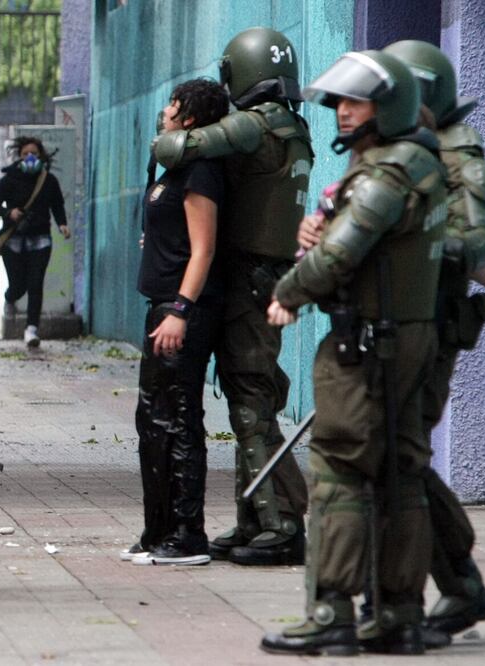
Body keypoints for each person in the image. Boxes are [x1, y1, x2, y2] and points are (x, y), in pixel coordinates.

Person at [297, 41, 485, 646]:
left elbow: (472, 243)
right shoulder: (399, 149)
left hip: (425, 322)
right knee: (390, 458)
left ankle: (447, 584)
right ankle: (410, 596)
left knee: (399, 461)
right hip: (392, 319)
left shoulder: (454, 155)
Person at [260, 50, 447, 656]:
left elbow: (341, 253)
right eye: (339, 101)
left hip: (366, 343)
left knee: (340, 471)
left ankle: (331, 611)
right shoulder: (415, 162)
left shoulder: (387, 173)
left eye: (354, 101)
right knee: (401, 473)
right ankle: (399, 613)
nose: (342, 112)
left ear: (386, 104)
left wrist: (289, 291)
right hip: (402, 336)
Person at [152, 27, 312, 566]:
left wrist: (180, 125)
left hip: (249, 279)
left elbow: (177, 146)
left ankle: (282, 522)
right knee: (255, 396)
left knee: (250, 403)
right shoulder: (295, 127)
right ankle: (256, 518)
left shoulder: (255, 124)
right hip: (266, 277)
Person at [124, 79, 229, 566]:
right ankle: (157, 531)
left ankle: (188, 535)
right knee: (152, 421)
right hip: (160, 308)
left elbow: (204, 250)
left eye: (172, 104)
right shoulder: (173, 166)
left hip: (181, 312)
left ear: (189, 118)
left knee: (180, 419)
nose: (163, 111)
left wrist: (181, 312)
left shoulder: (201, 172)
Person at [0, 136, 71, 348]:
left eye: (34, 153)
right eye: (25, 154)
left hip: (40, 239)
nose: (30, 157)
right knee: (18, 285)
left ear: (41, 155)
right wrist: (9, 212)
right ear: (20, 156)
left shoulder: (48, 180)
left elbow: (57, 205)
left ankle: (32, 329)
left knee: (35, 283)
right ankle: (10, 297)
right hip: (13, 240)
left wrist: (62, 224)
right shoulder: (10, 179)